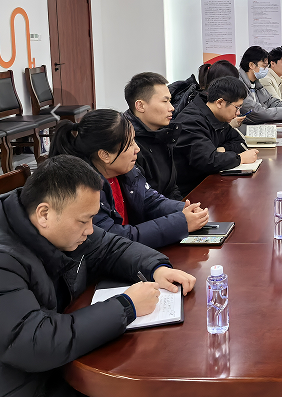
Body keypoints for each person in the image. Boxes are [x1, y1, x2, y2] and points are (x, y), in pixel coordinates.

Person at [0, 155, 196, 397]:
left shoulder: (64, 227)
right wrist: (127, 306)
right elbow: (32, 342)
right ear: (44, 214)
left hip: (63, 364)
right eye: (84, 220)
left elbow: (110, 246)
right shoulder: (5, 258)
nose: (90, 229)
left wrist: (156, 268)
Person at [50, 109, 208, 249]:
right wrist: (179, 223)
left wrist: (182, 209)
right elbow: (114, 238)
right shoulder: (85, 190)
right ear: (105, 155)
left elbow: (149, 200)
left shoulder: (126, 171)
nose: (137, 149)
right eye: (130, 143)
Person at [174, 76, 260, 195]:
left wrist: (222, 149)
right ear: (220, 102)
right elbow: (208, 161)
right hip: (191, 191)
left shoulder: (217, 116)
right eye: (237, 107)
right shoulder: (191, 122)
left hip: (210, 182)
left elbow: (239, 142)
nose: (238, 113)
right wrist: (240, 158)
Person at [124, 72, 184, 200]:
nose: (172, 108)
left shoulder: (163, 134)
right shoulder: (128, 145)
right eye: (165, 101)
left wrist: (185, 207)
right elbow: (143, 200)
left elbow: (171, 188)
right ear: (140, 106)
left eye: (170, 101)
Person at [238, 45, 282, 123]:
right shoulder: (238, 85)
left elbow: (272, 102)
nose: (266, 69)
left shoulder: (256, 83)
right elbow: (258, 112)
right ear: (251, 65)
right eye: (264, 66)